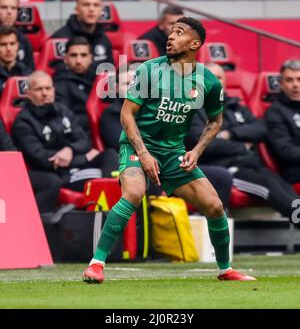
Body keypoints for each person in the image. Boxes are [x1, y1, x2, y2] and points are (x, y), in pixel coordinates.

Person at [83, 16, 256, 283]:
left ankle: (225, 269)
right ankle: (96, 264)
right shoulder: (150, 70)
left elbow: (215, 121)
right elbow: (127, 115)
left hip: (173, 152)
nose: (171, 36)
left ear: (195, 43)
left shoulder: (208, 81)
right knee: (134, 193)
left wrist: (196, 151)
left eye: (179, 32)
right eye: (170, 31)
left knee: (214, 206)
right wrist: (142, 154)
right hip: (137, 144)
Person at [100, 65, 233, 207]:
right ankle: (154, 225)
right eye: (128, 84)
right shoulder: (112, 114)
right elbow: (122, 144)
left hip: (170, 163)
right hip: (140, 166)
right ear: (115, 88)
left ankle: (202, 224)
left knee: (222, 176)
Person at [185, 62, 300, 222]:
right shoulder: (191, 109)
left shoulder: (234, 105)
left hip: (250, 164)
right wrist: (242, 146)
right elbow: (204, 145)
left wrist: (230, 134)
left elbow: (260, 128)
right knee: (266, 185)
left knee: (278, 182)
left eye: (219, 78)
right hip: (224, 168)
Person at [12, 70, 119, 213]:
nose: (45, 93)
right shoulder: (23, 122)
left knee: (110, 154)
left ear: (53, 90)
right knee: (107, 177)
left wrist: (70, 149)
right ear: (28, 93)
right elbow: (42, 159)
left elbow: (84, 141)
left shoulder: (62, 110)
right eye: (39, 89)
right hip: (59, 174)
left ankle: (111, 202)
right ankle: (109, 209)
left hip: (75, 167)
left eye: (48, 88)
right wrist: (84, 157)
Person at [52, 0, 114, 68]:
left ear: (101, 10)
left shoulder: (103, 38)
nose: (91, 9)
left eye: (96, 5)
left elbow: (110, 71)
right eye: (86, 5)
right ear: (76, 9)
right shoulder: (60, 38)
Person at [265, 60, 300, 185]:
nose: (295, 84)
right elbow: (285, 151)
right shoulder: (274, 112)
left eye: (299, 79)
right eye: (289, 80)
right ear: (281, 84)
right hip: (294, 171)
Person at [54, 36, 96, 131]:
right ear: (65, 58)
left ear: (90, 58)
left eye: (83, 55)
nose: (78, 61)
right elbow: (66, 120)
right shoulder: (60, 85)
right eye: (73, 55)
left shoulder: (99, 80)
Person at [0, 0, 34, 70]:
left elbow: (30, 72)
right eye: (4, 7)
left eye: (13, 8)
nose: (9, 12)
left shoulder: (23, 39)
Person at [0, 26, 32, 93]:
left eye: (12, 44)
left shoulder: (28, 73)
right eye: (3, 44)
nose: (8, 49)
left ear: (17, 46)